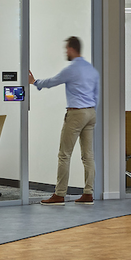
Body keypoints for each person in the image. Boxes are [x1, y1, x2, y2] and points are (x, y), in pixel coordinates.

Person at [35, 36, 98, 204]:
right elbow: (96, 94)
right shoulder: (92, 69)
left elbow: (52, 81)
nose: (65, 52)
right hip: (91, 113)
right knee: (88, 156)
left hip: (76, 114)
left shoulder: (72, 68)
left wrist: (35, 82)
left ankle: (60, 194)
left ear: (72, 49)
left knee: (64, 154)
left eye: (66, 49)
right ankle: (88, 193)